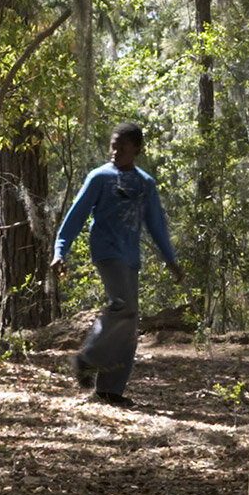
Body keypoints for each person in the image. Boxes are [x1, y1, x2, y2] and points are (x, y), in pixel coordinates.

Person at [51, 122, 181, 405]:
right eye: (113, 145)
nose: (115, 151)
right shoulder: (100, 177)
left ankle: (110, 390)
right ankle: (87, 358)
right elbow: (77, 214)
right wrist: (60, 250)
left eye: (122, 146)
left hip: (130, 257)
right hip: (106, 252)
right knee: (124, 306)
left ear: (136, 149)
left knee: (129, 322)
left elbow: (156, 224)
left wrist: (170, 259)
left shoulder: (145, 183)